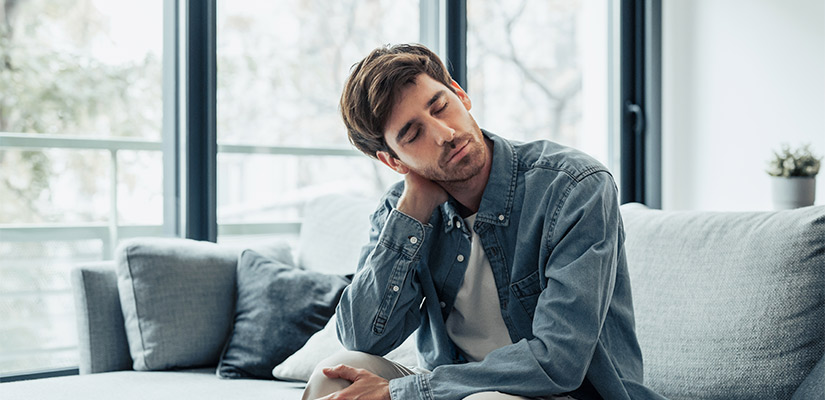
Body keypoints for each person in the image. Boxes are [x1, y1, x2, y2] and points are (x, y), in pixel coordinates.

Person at [302, 43, 666, 400]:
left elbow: (560, 361)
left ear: (460, 94)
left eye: (441, 107)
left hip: (564, 394)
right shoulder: (401, 212)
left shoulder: (574, 187)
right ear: (393, 161)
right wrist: (411, 215)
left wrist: (404, 392)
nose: (445, 134)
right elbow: (361, 338)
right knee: (334, 376)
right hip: (452, 390)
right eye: (414, 135)